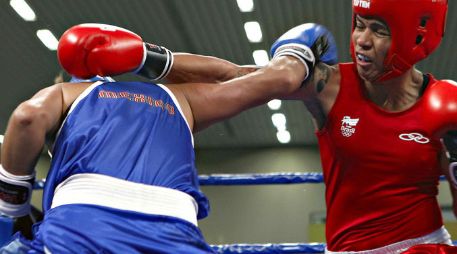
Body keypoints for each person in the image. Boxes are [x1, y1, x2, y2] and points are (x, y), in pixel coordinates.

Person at [54, 0, 457, 253]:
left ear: (416, 34)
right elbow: (235, 78)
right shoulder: (331, 84)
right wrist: (146, 58)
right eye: (359, 24)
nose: (361, 40)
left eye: (379, 29)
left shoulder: (448, 106)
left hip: (423, 246)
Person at [0, 23, 337, 253]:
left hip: (79, 230)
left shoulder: (65, 95)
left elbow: (27, 118)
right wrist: (146, 58)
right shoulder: (181, 99)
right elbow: (270, 79)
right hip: (174, 234)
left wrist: (12, 206)